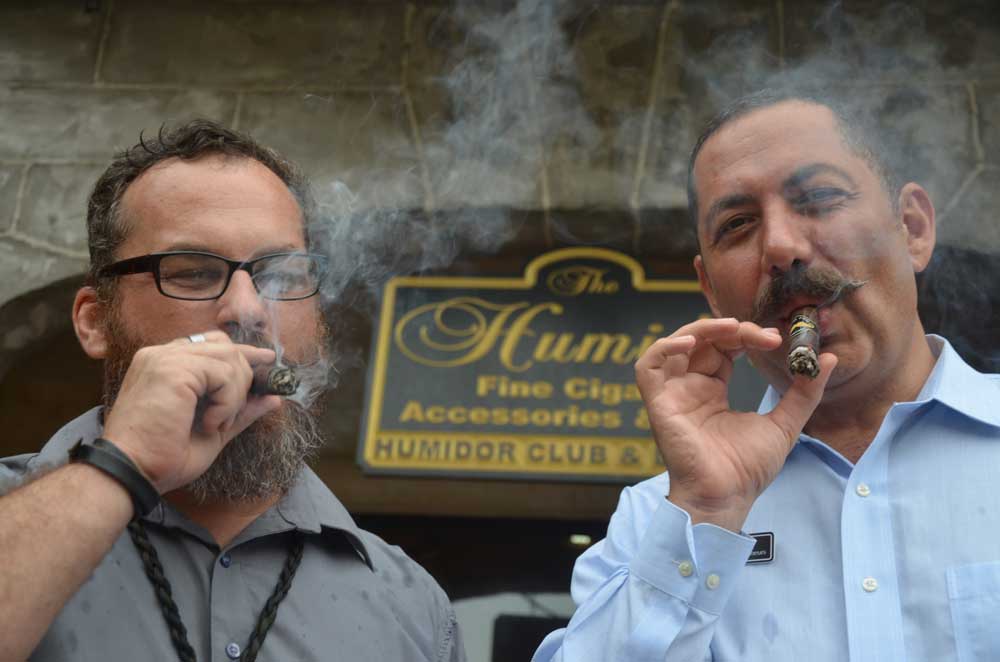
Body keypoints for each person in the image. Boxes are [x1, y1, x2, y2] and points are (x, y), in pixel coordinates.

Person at [534, 89, 1000, 661]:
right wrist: (707, 511)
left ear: (913, 228)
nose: (780, 247)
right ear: (710, 289)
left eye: (820, 198)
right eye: (737, 225)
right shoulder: (658, 522)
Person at [0, 121, 464, 662]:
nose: (247, 310)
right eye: (194, 273)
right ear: (96, 322)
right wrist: (125, 463)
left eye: (282, 274)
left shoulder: (410, 606)